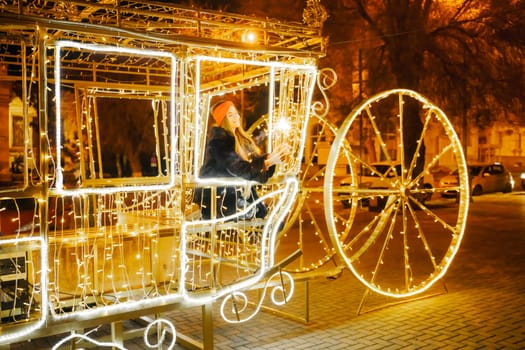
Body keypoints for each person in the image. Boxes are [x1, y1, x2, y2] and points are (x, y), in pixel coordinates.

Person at [194, 100, 288, 220]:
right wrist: (268, 162)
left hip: (235, 193)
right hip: (218, 196)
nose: (235, 117)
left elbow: (251, 162)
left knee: (268, 217)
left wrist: (270, 158)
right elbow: (237, 167)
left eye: (235, 113)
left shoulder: (242, 139)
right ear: (223, 120)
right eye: (230, 115)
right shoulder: (219, 142)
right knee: (257, 215)